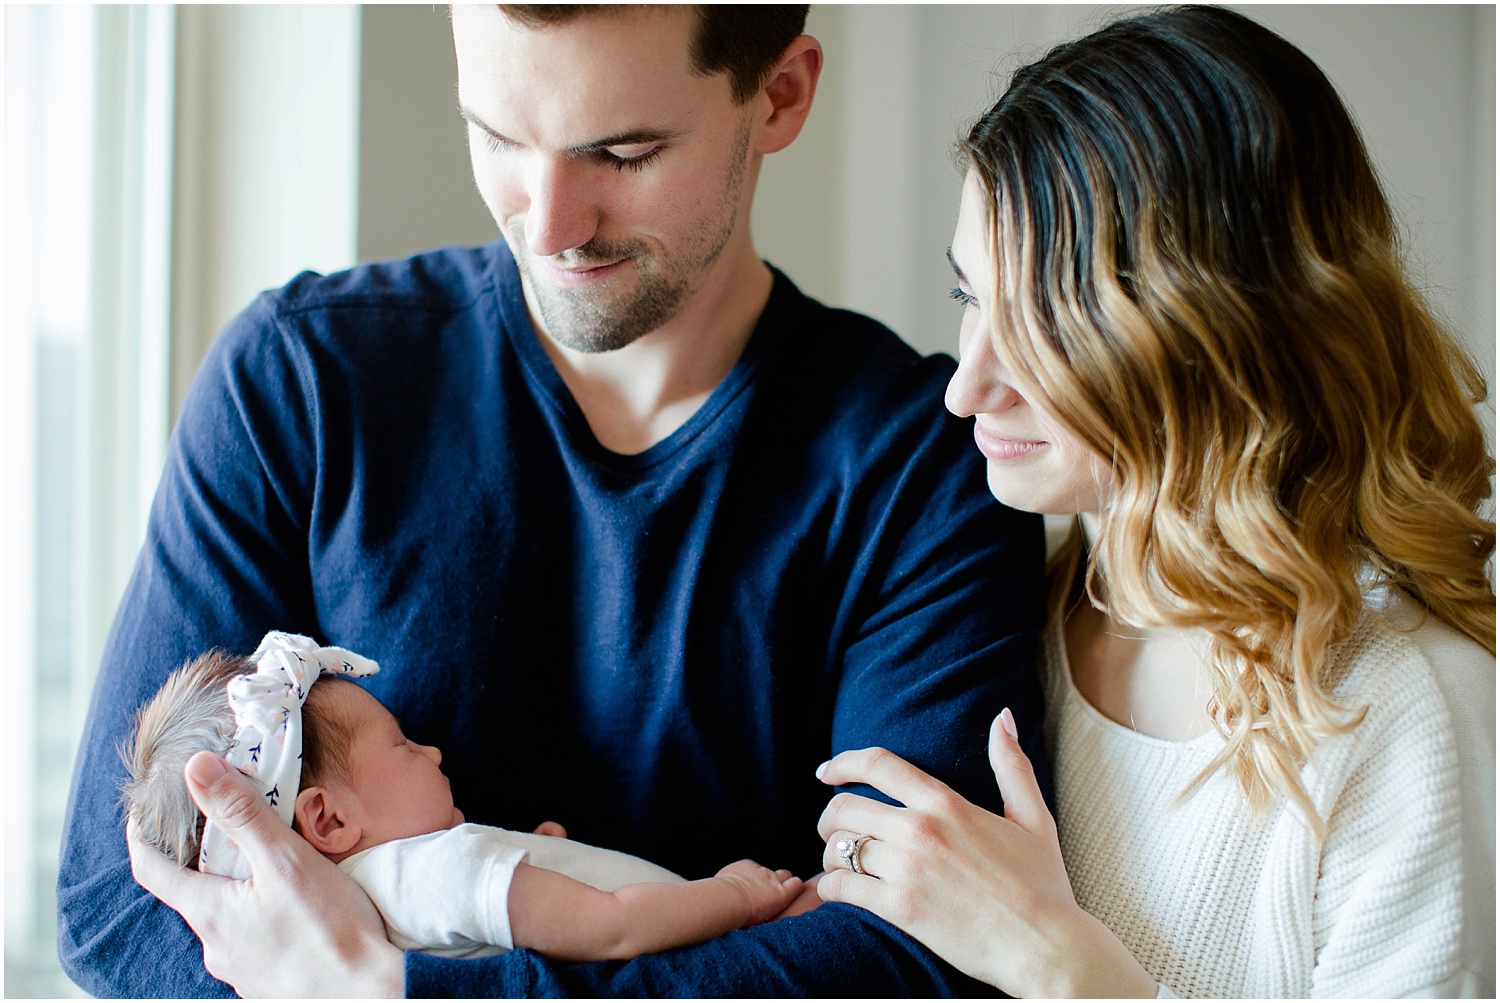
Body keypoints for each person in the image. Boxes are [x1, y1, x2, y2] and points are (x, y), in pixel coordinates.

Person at [57, 5, 1047, 997]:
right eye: (496, 137)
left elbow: (921, 958)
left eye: (621, 152)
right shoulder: (300, 382)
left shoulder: (928, 468)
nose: (549, 223)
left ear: (779, 94)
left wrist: (383, 987)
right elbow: (121, 908)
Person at [813, 5, 1496, 998]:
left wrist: (1056, 962)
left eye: (1046, 318)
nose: (968, 387)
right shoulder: (992, 629)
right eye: (971, 298)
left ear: (1221, 331)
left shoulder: (1408, 713)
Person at [122, 632, 805, 961]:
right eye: (403, 744)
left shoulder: (389, 896)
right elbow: (615, 926)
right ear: (327, 819)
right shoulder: (439, 869)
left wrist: (535, 869)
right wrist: (737, 894)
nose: (433, 751)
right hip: (715, 939)